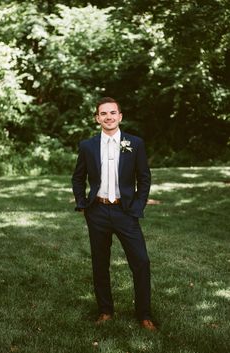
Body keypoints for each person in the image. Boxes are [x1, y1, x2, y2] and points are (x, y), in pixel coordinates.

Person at [72, 97, 156, 331]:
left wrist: (137, 207)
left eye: (112, 113)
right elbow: (78, 177)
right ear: (97, 118)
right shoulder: (87, 146)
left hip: (125, 211)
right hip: (97, 211)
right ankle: (105, 310)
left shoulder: (135, 143)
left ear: (120, 116)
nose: (108, 117)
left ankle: (144, 314)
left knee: (141, 262)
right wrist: (83, 203)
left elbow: (144, 177)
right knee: (100, 263)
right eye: (103, 113)